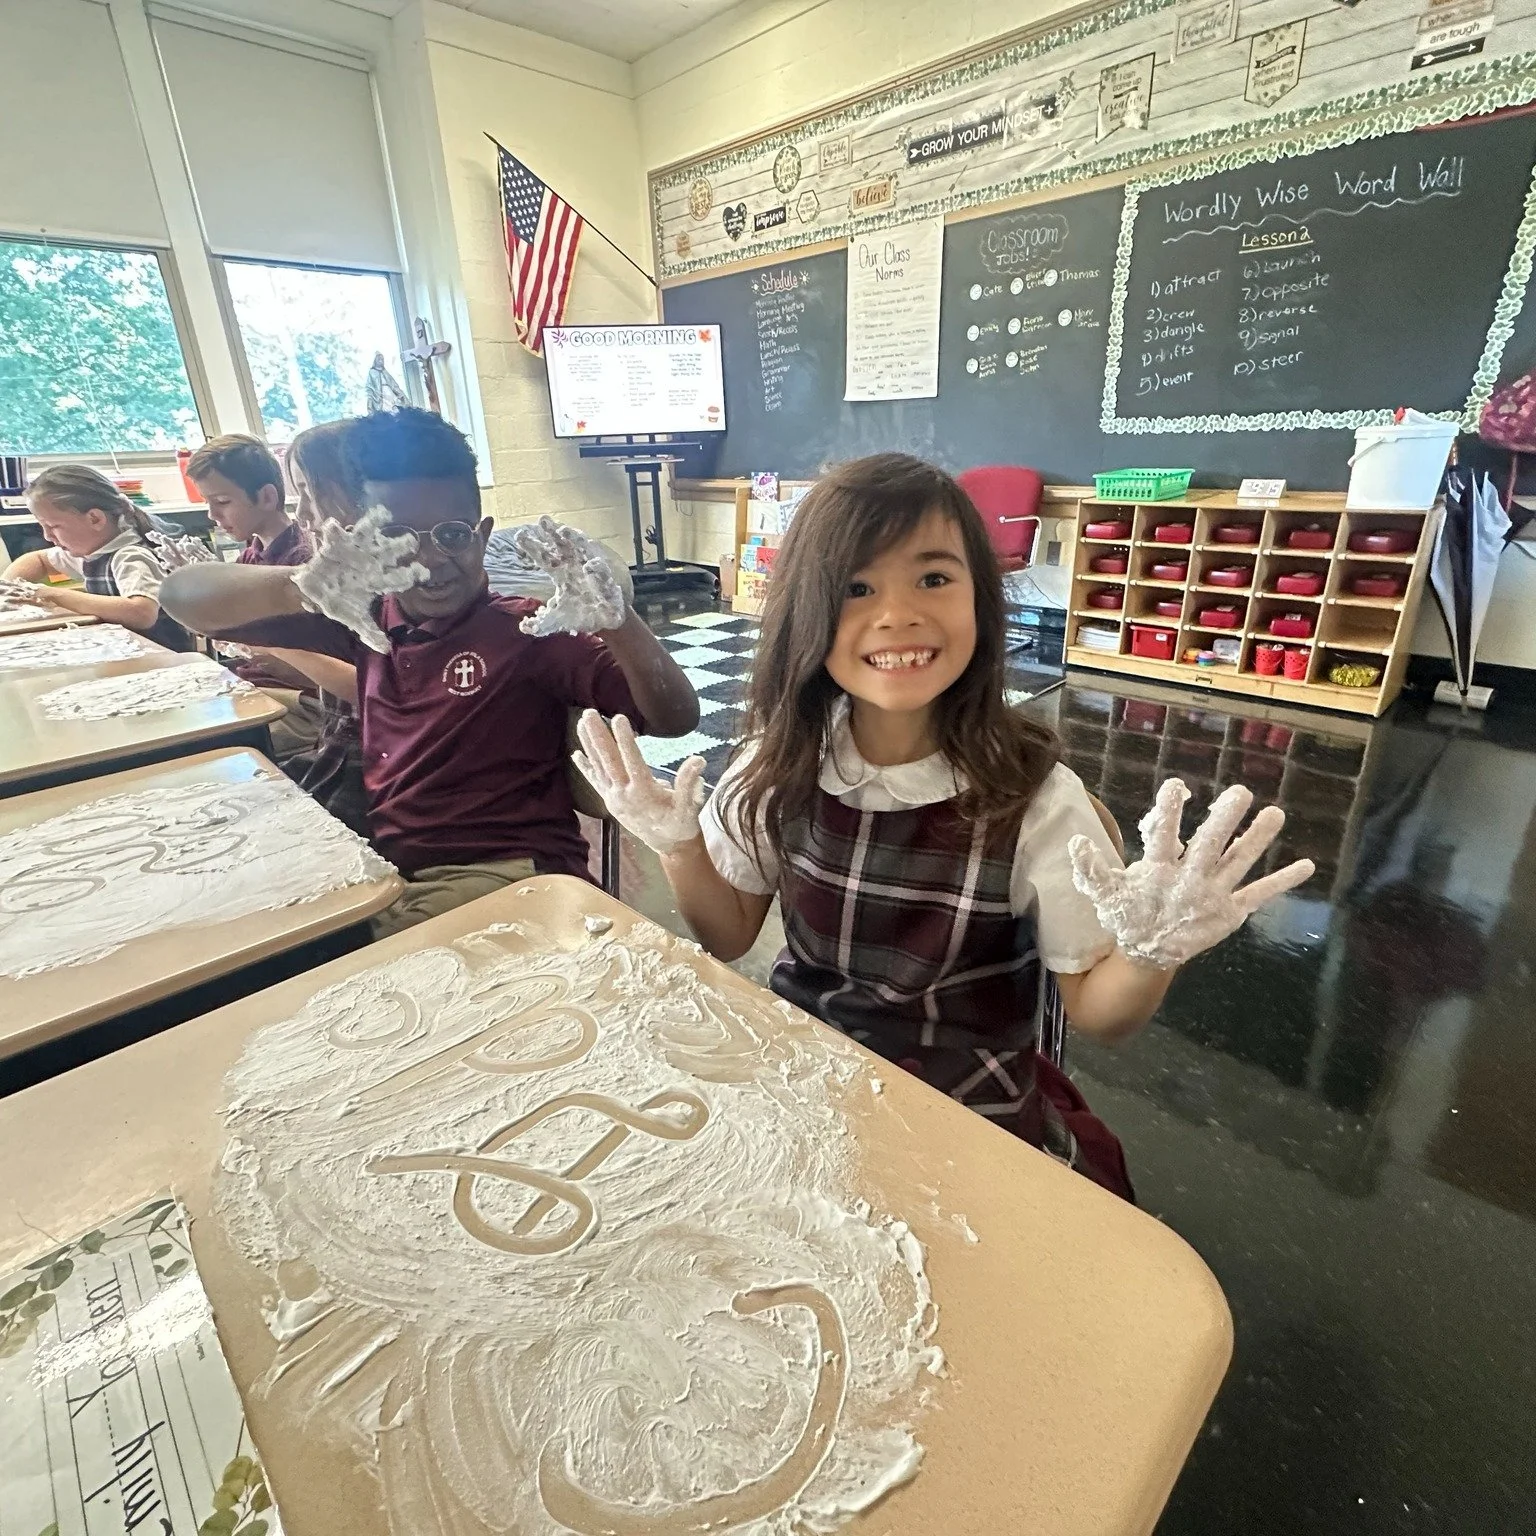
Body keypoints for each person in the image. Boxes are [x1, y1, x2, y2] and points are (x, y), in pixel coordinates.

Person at [571, 454, 1313, 1200]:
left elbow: (1097, 1013)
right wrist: (677, 845)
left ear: (981, 602)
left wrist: (1152, 951)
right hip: (810, 1074)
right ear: (808, 611)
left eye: (933, 578)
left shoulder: (1038, 802)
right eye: (857, 588)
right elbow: (728, 935)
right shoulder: (779, 764)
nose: (898, 614)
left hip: (969, 1108)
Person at [159, 407, 698, 935]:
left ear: (482, 535)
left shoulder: (528, 632)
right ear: (364, 541)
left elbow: (676, 716)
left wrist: (620, 623)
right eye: (398, 537)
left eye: (453, 535)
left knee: (321, 963)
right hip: (396, 867)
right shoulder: (362, 618)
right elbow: (182, 599)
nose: (432, 559)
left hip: (507, 875)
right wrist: (300, 583)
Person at [184, 433, 325, 760]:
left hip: (295, 701)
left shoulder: (303, 562)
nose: (211, 515)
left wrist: (250, 644)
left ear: (266, 497)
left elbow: (313, 669)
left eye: (222, 502)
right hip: (252, 688)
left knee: (202, 749)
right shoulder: (250, 557)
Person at [2, 465, 194, 649]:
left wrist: (51, 594)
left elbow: (142, 612)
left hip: (164, 660)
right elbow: (38, 560)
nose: (47, 536)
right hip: (128, 653)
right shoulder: (94, 551)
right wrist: (7, 590)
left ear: (95, 519)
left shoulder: (131, 555)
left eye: (53, 526)